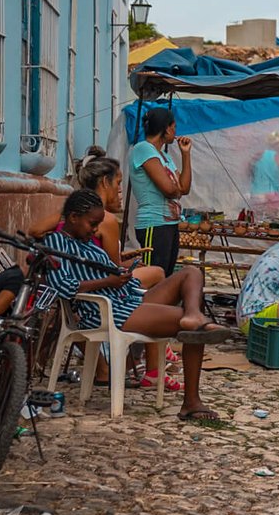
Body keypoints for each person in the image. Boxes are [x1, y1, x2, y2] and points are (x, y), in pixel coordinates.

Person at [39, 189, 232, 421]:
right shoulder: (55, 243)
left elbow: (105, 270)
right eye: (92, 223)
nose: (95, 229)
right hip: (105, 311)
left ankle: (193, 314)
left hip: (126, 298)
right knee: (194, 328)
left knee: (190, 272)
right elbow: (62, 285)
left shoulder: (88, 242)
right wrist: (108, 281)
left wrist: (121, 274)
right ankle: (191, 402)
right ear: (73, 217)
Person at [32, 147, 178, 390]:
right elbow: (111, 270)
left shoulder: (77, 216)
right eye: (118, 183)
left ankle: (144, 356)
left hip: (78, 294)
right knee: (158, 274)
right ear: (104, 182)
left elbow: (37, 231)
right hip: (97, 296)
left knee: (148, 276)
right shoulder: (106, 219)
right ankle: (153, 363)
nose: (120, 190)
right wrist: (126, 265)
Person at [131, 106, 191, 274]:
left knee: (165, 276)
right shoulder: (143, 149)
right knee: (153, 275)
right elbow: (169, 190)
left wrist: (185, 154)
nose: (175, 131)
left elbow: (183, 188)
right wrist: (175, 188)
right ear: (166, 128)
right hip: (153, 224)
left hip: (169, 224)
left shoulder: (165, 156)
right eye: (174, 127)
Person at [250, 132, 279, 219]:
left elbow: (248, 171)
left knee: (256, 221)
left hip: (256, 194)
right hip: (272, 195)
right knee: (270, 222)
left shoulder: (258, 155)